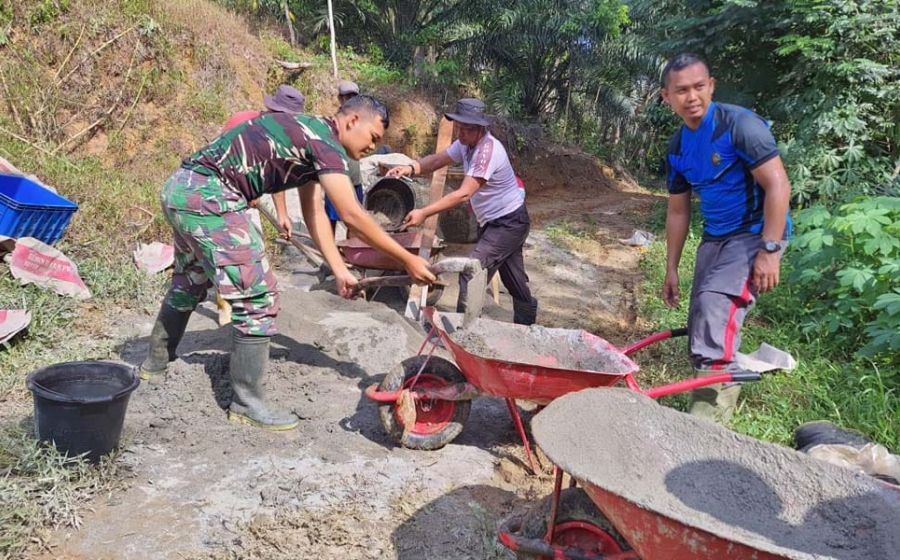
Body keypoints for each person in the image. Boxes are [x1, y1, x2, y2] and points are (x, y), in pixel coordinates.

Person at [141, 94, 436, 431]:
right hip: (210, 196)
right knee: (258, 297)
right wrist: (407, 259)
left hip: (181, 189)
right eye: (372, 137)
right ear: (353, 120)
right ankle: (247, 403)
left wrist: (339, 270)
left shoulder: (312, 135)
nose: (372, 147)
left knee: (190, 280)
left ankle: (155, 363)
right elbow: (352, 215)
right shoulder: (325, 144)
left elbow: (314, 213)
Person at [660, 53, 792, 423]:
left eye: (699, 86)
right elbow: (678, 211)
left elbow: (778, 185)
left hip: (754, 233)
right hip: (715, 238)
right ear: (666, 97)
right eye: (681, 90)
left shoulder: (739, 126)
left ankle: (707, 424)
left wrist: (770, 250)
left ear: (712, 86)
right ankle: (708, 395)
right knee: (701, 319)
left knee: (715, 308)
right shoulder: (678, 146)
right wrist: (671, 268)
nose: (692, 97)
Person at [386, 98, 539, 325]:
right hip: (497, 222)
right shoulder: (466, 144)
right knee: (514, 280)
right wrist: (411, 168)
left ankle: (465, 330)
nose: (461, 133)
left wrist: (424, 212)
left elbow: (463, 194)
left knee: (471, 271)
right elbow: (438, 160)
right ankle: (527, 326)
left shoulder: (487, 152)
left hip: (508, 222)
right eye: (459, 127)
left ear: (480, 129)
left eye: (467, 129)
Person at [324, 80, 365, 234]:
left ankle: (350, 245)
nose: (351, 100)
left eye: (354, 97)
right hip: (336, 177)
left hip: (354, 179)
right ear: (340, 99)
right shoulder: (333, 122)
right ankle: (329, 245)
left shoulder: (362, 121)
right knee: (331, 216)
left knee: (355, 220)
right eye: (347, 97)